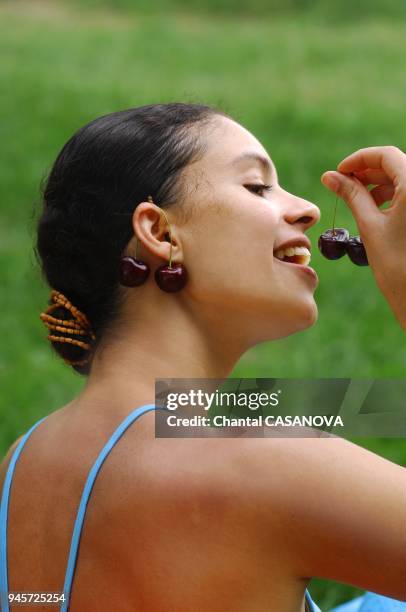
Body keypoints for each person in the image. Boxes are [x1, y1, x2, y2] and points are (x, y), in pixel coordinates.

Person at [0, 103, 405, 612]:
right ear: (161, 233)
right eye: (257, 187)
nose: (308, 208)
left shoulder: (23, 459)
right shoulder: (264, 462)